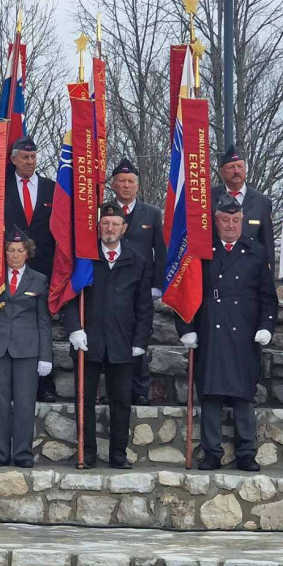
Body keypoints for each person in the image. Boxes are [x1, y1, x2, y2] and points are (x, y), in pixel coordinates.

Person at [177, 194, 278, 471]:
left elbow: (268, 296)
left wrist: (266, 326)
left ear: (242, 221)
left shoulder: (256, 251)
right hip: (211, 327)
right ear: (215, 221)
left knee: (244, 393)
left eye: (235, 220)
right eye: (225, 220)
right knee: (210, 393)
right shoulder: (201, 250)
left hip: (244, 329)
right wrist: (186, 327)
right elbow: (186, 290)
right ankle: (211, 452)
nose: (230, 226)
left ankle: (246, 451)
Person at [62, 202, 153, 469]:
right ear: (98, 227)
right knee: (85, 400)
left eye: (114, 224)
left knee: (121, 402)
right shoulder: (85, 258)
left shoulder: (137, 260)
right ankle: (87, 453)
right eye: (105, 223)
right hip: (88, 341)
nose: (109, 228)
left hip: (122, 343)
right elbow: (69, 298)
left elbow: (144, 306)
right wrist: (74, 329)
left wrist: (140, 341)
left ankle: (118, 454)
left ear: (123, 228)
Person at [0, 227, 52, 467]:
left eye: (19, 250)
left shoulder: (39, 280)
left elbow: (43, 320)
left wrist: (46, 356)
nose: (14, 255)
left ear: (27, 253)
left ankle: (22, 453)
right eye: (10, 250)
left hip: (27, 349)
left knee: (24, 403)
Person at [3, 135, 58, 402]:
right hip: (10, 264)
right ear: (13, 159)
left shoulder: (52, 188)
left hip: (43, 267)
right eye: (24, 157)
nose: (30, 161)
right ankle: (10, 383)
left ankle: (44, 383)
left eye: (33, 157)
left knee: (41, 324)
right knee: (12, 325)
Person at [109, 156, 167, 405]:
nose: (126, 185)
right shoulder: (106, 211)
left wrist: (157, 284)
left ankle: (140, 389)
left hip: (141, 285)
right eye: (121, 181)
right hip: (112, 282)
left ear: (137, 186)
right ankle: (109, 390)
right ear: (113, 185)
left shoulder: (151, 213)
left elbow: (160, 251)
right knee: (110, 338)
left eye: (131, 181)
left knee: (139, 337)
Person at [211, 145, 275, 268]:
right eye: (231, 167)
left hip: (250, 273)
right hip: (217, 272)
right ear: (222, 172)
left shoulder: (262, 202)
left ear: (245, 170)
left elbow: (267, 246)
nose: (236, 171)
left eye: (240, 167)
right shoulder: (208, 198)